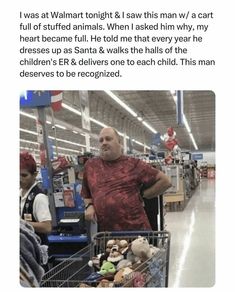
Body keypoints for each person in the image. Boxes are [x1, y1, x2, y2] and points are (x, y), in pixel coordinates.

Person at [81, 127, 171, 231]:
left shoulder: (134, 164)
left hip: (136, 231)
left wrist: (143, 195)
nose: (104, 143)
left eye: (108, 139)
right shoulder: (91, 166)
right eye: (101, 140)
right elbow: (86, 193)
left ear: (119, 143)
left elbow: (165, 181)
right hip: (106, 236)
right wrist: (89, 206)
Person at [20, 152, 52, 244]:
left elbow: (47, 227)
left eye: (24, 175)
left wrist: (21, 223)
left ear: (34, 175)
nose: (19, 179)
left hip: (37, 250)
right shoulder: (19, 194)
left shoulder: (39, 197)